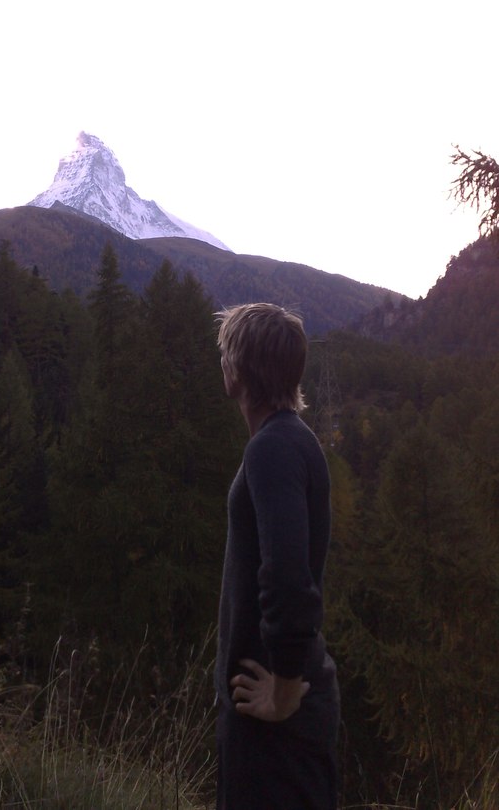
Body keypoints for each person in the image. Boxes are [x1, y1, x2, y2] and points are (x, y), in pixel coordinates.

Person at [214, 303, 340, 810]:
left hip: (275, 720)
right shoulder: (291, 440)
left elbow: (288, 580)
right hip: (278, 710)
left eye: (225, 354)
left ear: (239, 370)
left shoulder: (272, 449)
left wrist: (284, 690)